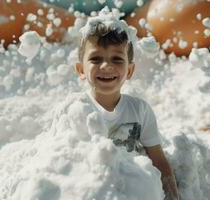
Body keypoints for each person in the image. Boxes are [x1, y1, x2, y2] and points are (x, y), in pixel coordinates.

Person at [74, 13, 179, 200]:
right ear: (81, 70)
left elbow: (158, 159)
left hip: (132, 188)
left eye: (117, 59)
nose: (106, 65)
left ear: (129, 71)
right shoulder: (76, 110)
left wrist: (172, 196)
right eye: (96, 59)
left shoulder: (140, 110)